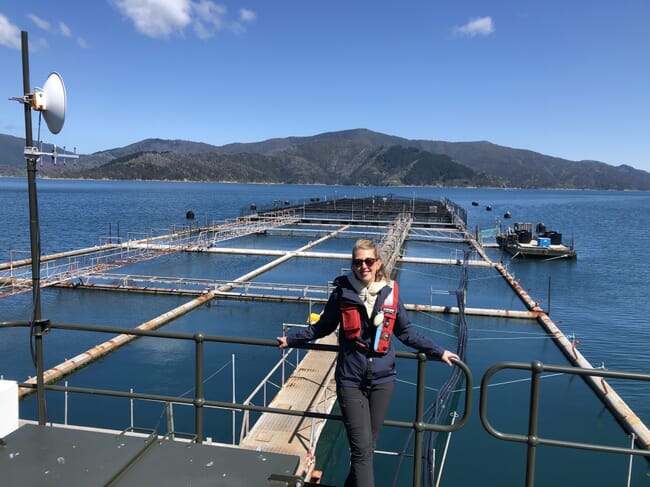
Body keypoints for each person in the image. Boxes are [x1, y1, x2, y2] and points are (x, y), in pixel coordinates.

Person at [276, 238, 459, 487]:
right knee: (361, 452)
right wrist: (292, 340)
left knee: (367, 449)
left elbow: (406, 333)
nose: (364, 266)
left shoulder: (391, 292)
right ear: (352, 264)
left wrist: (438, 351)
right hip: (350, 380)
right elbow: (322, 328)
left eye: (369, 261)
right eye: (358, 261)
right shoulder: (342, 293)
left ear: (378, 263)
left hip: (383, 381)